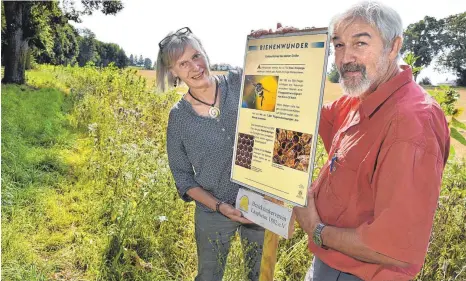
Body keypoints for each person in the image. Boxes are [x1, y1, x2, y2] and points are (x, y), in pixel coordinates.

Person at [288, 2, 451, 281]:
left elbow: (395, 247)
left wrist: (315, 228)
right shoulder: (360, 99)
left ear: (393, 46)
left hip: (360, 273)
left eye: (360, 43)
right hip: (330, 261)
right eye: (338, 46)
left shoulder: (411, 122)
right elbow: (300, 115)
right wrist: (287, 51)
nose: (345, 58)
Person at [157, 27, 265, 281]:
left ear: (205, 53)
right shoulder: (179, 117)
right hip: (213, 209)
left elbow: (274, 98)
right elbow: (183, 178)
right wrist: (220, 206)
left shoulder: (238, 84)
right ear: (173, 72)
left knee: (259, 275)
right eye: (183, 63)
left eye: (196, 56)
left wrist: (272, 43)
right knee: (209, 276)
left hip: (260, 203)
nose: (195, 67)